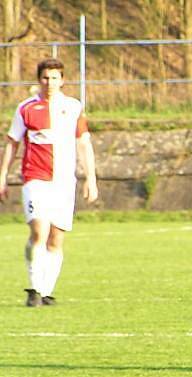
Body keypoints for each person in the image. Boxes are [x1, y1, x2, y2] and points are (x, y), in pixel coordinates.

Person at [0, 58, 98, 307]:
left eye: (55, 78)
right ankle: (33, 288)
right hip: (36, 179)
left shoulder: (73, 107)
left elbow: (84, 143)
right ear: (38, 79)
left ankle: (46, 292)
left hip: (65, 182)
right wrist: (2, 177)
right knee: (38, 231)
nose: (50, 82)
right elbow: (12, 144)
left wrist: (91, 178)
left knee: (56, 238)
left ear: (62, 80)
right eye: (45, 77)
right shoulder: (26, 108)